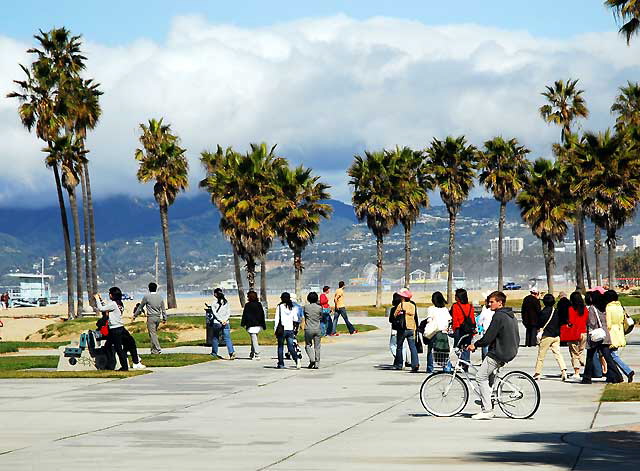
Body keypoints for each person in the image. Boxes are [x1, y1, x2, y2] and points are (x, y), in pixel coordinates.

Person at [467, 291, 519, 420]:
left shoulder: (499, 316)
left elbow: (488, 337)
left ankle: (487, 410)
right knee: (489, 378)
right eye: (489, 302)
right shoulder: (510, 315)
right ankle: (489, 400)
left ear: (500, 303)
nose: (489, 304)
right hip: (510, 350)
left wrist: (475, 345)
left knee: (480, 377)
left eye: (492, 302)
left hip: (499, 352)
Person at [95, 287, 145, 371]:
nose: (109, 295)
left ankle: (125, 367)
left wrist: (97, 299)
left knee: (119, 349)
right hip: (121, 328)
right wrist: (101, 299)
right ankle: (135, 362)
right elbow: (107, 307)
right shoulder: (119, 303)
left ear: (112, 295)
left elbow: (101, 309)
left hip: (115, 329)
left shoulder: (113, 304)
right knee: (131, 343)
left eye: (110, 294)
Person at [581, 291, 623, 384]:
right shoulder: (606, 307)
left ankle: (587, 377)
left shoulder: (593, 308)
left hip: (596, 335)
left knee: (590, 357)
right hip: (605, 334)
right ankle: (618, 376)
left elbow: (592, 322)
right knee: (608, 357)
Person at [533, 294, 568, 381]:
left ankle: (537, 373)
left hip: (546, 336)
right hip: (556, 336)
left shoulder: (542, 312)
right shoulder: (556, 311)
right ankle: (563, 371)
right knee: (558, 354)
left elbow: (539, 324)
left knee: (541, 356)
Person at [604, 290, 635, 382]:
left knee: (613, 355)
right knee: (613, 354)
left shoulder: (608, 308)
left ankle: (628, 371)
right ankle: (612, 375)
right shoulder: (620, 307)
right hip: (619, 332)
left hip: (611, 333)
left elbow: (608, 324)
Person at [133, 282, 167, 354]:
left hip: (151, 317)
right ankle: (153, 351)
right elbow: (163, 309)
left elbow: (140, 307)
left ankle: (158, 348)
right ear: (156, 288)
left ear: (149, 288)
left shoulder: (146, 297)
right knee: (153, 334)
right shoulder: (160, 297)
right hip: (158, 317)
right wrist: (164, 318)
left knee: (152, 334)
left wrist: (135, 315)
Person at [560, 291, 588, 378]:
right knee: (581, 351)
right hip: (584, 332)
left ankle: (577, 372)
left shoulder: (571, 309)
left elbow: (571, 321)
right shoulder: (585, 309)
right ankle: (583, 361)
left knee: (574, 353)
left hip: (574, 333)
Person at [422, 291, 451, 372]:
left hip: (434, 332)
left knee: (431, 350)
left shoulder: (431, 309)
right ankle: (446, 367)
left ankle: (430, 368)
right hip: (443, 332)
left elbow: (429, 320)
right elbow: (449, 320)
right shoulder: (445, 309)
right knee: (444, 350)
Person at [392, 288, 420, 372]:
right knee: (412, 347)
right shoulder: (412, 305)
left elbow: (395, 314)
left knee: (399, 346)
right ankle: (415, 364)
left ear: (403, 297)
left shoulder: (401, 305)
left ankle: (399, 364)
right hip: (411, 328)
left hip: (403, 328)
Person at [449, 288, 475, 371]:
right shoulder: (470, 306)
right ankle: (465, 363)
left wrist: (454, 329)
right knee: (466, 347)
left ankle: (464, 362)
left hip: (459, 329)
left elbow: (455, 319)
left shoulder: (455, 306)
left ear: (458, 297)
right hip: (469, 330)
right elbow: (472, 319)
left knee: (458, 348)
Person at [274, 292, 301, 369]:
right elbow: (295, 319)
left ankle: (281, 363)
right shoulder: (292, 307)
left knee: (280, 347)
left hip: (281, 329)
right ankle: (296, 359)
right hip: (290, 329)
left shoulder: (279, 307)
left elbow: (277, 319)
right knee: (291, 347)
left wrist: (275, 329)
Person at [210, 288, 236, 360]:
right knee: (227, 338)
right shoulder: (226, 302)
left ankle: (214, 353)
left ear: (215, 294)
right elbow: (228, 312)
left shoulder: (214, 302)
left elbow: (215, 313)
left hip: (217, 322)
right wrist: (225, 320)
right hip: (226, 322)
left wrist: (220, 320)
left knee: (215, 338)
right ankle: (231, 352)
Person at [240, 290, 266, 360]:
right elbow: (262, 315)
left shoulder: (247, 305)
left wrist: (243, 323)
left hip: (251, 325)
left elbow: (244, 315)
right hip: (258, 325)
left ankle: (257, 354)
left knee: (254, 339)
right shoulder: (259, 304)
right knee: (254, 339)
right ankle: (252, 353)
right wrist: (263, 325)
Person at [303, 291, 322, 369]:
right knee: (317, 346)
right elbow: (321, 316)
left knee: (308, 345)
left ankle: (312, 359)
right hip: (317, 328)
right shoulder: (320, 308)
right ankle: (317, 363)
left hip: (308, 328)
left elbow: (304, 316)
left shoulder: (305, 307)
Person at [475, 295, 495, 360]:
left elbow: (479, 320)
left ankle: (485, 361)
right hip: (494, 332)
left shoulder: (485, 311)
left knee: (485, 347)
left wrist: (479, 326)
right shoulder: (496, 311)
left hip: (486, 331)